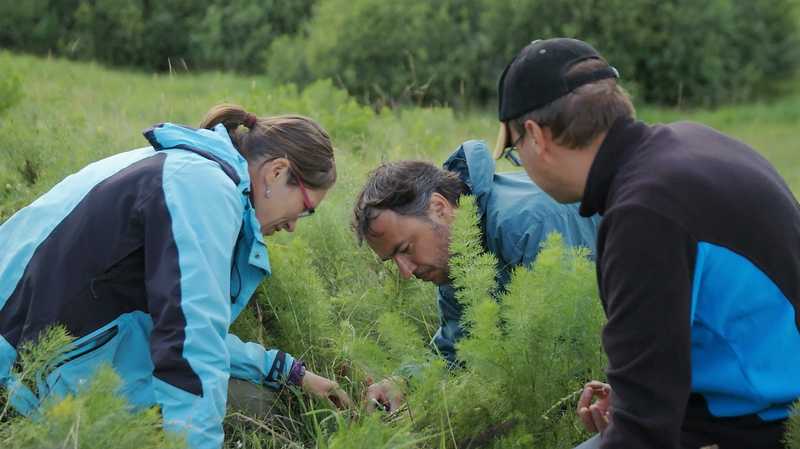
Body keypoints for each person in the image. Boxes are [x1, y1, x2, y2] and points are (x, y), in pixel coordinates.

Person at [495, 37, 800, 449]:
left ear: (536, 136)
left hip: (763, 425)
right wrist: (631, 393)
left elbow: (644, 435)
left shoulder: (645, 213)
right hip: (754, 395)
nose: (524, 166)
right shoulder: (687, 145)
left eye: (514, 152)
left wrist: (635, 409)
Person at [0, 104, 351, 449]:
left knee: (254, 397)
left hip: (28, 355)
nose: (292, 226)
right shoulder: (205, 190)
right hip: (19, 383)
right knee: (257, 409)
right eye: (305, 209)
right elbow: (191, 347)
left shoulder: (187, 165)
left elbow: (180, 324)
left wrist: (288, 371)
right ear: (277, 172)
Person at [352, 140, 600, 412]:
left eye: (405, 249)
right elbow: (459, 350)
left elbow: (575, 356)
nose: (406, 271)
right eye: (393, 261)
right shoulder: (458, 259)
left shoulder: (525, 224)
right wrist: (404, 382)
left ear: (439, 208)